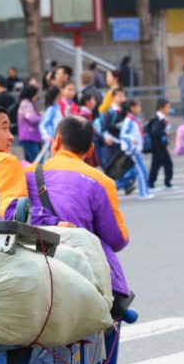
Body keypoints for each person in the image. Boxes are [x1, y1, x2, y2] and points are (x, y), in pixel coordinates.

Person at [23, 116, 132, 302]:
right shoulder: (101, 181)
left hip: (33, 266)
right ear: (90, 150)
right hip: (82, 274)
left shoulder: (27, 175)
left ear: (56, 140)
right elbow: (117, 239)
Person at [115, 99, 154, 200]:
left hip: (135, 150)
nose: (140, 109)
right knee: (141, 172)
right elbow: (123, 134)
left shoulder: (133, 119)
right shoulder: (129, 121)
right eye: (138, 107)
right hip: (132, 151)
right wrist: (132, 139)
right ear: (132, 108)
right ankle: (143, 193)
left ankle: (110, 188)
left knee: (130, 174)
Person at [146, 99, 175, 191]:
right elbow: (155, 132)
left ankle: (167, 182)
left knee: (167, 164)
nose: (169, 109)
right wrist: (164, 132)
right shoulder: (158, 120)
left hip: (162, 146)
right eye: (168, 107)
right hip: (158, 146)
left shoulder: (163, 119)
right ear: (161, 108)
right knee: (156, 165)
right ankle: (151, 184)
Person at [17, 85, 43, 162]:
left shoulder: (27, 103)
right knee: (38, 161)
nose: (37, 96)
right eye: (36, 94)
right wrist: (43, 117)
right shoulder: (26, 104)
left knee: (33, 160)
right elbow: (32, 118)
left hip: (29, 137)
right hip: (29, 137)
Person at [38, 86, 63, 159]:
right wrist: (47, 137)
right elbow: (42, 124)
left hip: (57, 140)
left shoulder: (56, 108)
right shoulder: (52, 109)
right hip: (52, 142)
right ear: (58, 95)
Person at [78, 93, 101, 167]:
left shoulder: (86, 114)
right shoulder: (84, 115)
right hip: (86, 145)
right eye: (93, 100)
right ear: (87, 102)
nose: (95, 102)